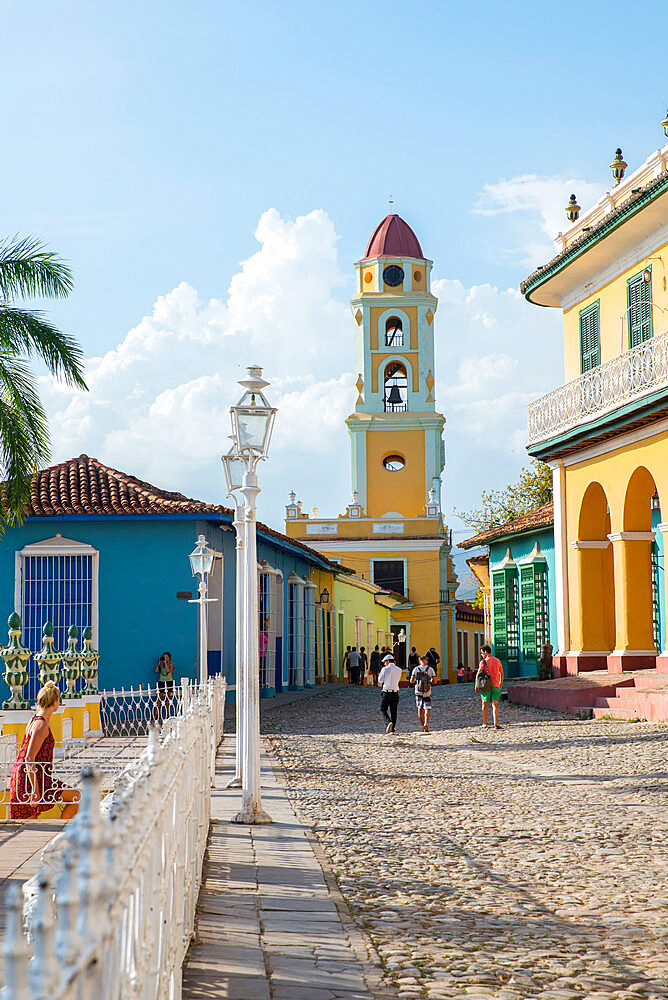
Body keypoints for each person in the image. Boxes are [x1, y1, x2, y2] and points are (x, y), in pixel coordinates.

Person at [10, 681, 80, 820]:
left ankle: (60, 832)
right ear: (55, 702)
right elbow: (29, 758)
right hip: (29, 779)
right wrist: (35, 790)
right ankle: (61, 832)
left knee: (75, 796)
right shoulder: (41, 725)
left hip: (36, 777)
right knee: (75, 797)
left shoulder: (35, 720)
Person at [476, 644, 504, 729]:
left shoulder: (483, 662)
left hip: (485, 686)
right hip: (496, 685)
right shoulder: (497, 660)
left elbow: (478, 674)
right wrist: (500, 682)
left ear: (485, 652)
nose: (481, 655)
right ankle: (496, 722)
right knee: (495, 704)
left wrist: (477, 685)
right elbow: (501, 673)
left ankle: (485, 723)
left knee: (484, 704)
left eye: (482, 653)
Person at [410, 654, 436, 732]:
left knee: (419, 708)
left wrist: (416, 680)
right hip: (427, 691)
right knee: (427, 708)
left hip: (418, 691)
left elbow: (411, 681)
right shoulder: (430, 669)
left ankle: (422, 726)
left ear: (419, 661)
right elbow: (435, 681)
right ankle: (426, 723)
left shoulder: (416, 669)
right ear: (426, 661)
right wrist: (429, 680)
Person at [378, 653, 402, 734]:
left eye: (384, 662)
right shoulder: (399, 669)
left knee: (382, 709)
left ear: (387, 661)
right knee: (393, 711)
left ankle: (388, 722)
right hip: (395, 692)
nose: (384, 664)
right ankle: (392, 729)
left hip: (387, 692)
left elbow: (380, 680)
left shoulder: (385, 669)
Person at [155, 651, 175, 719]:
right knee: (159, 698)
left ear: (169, 658)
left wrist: (166, 663)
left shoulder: (171, 664)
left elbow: (168, 670)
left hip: (169, 681)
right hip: (161, 681)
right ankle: (157, 714)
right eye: (164, 657)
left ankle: (167, 713)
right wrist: (159, 663)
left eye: (166, 657)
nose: (165, 658)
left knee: (167, 698)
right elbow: (157, 671)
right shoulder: (161, 664)